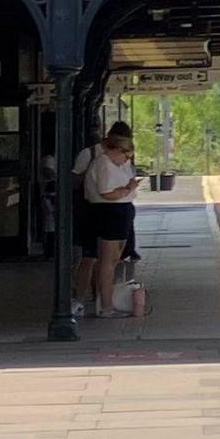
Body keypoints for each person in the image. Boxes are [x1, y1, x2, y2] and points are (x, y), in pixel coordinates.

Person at [72, 120, 142, 322]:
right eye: (125, 154)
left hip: (120, 211)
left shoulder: (118, 163)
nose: (127, 159)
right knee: (103, 261)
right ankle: (105, 305)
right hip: (108, 212)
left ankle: (103, 300)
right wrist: (128, 189)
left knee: (112, 260)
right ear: (116, 148)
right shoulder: (101, 162)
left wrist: (128, 188)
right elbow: (106, 193)